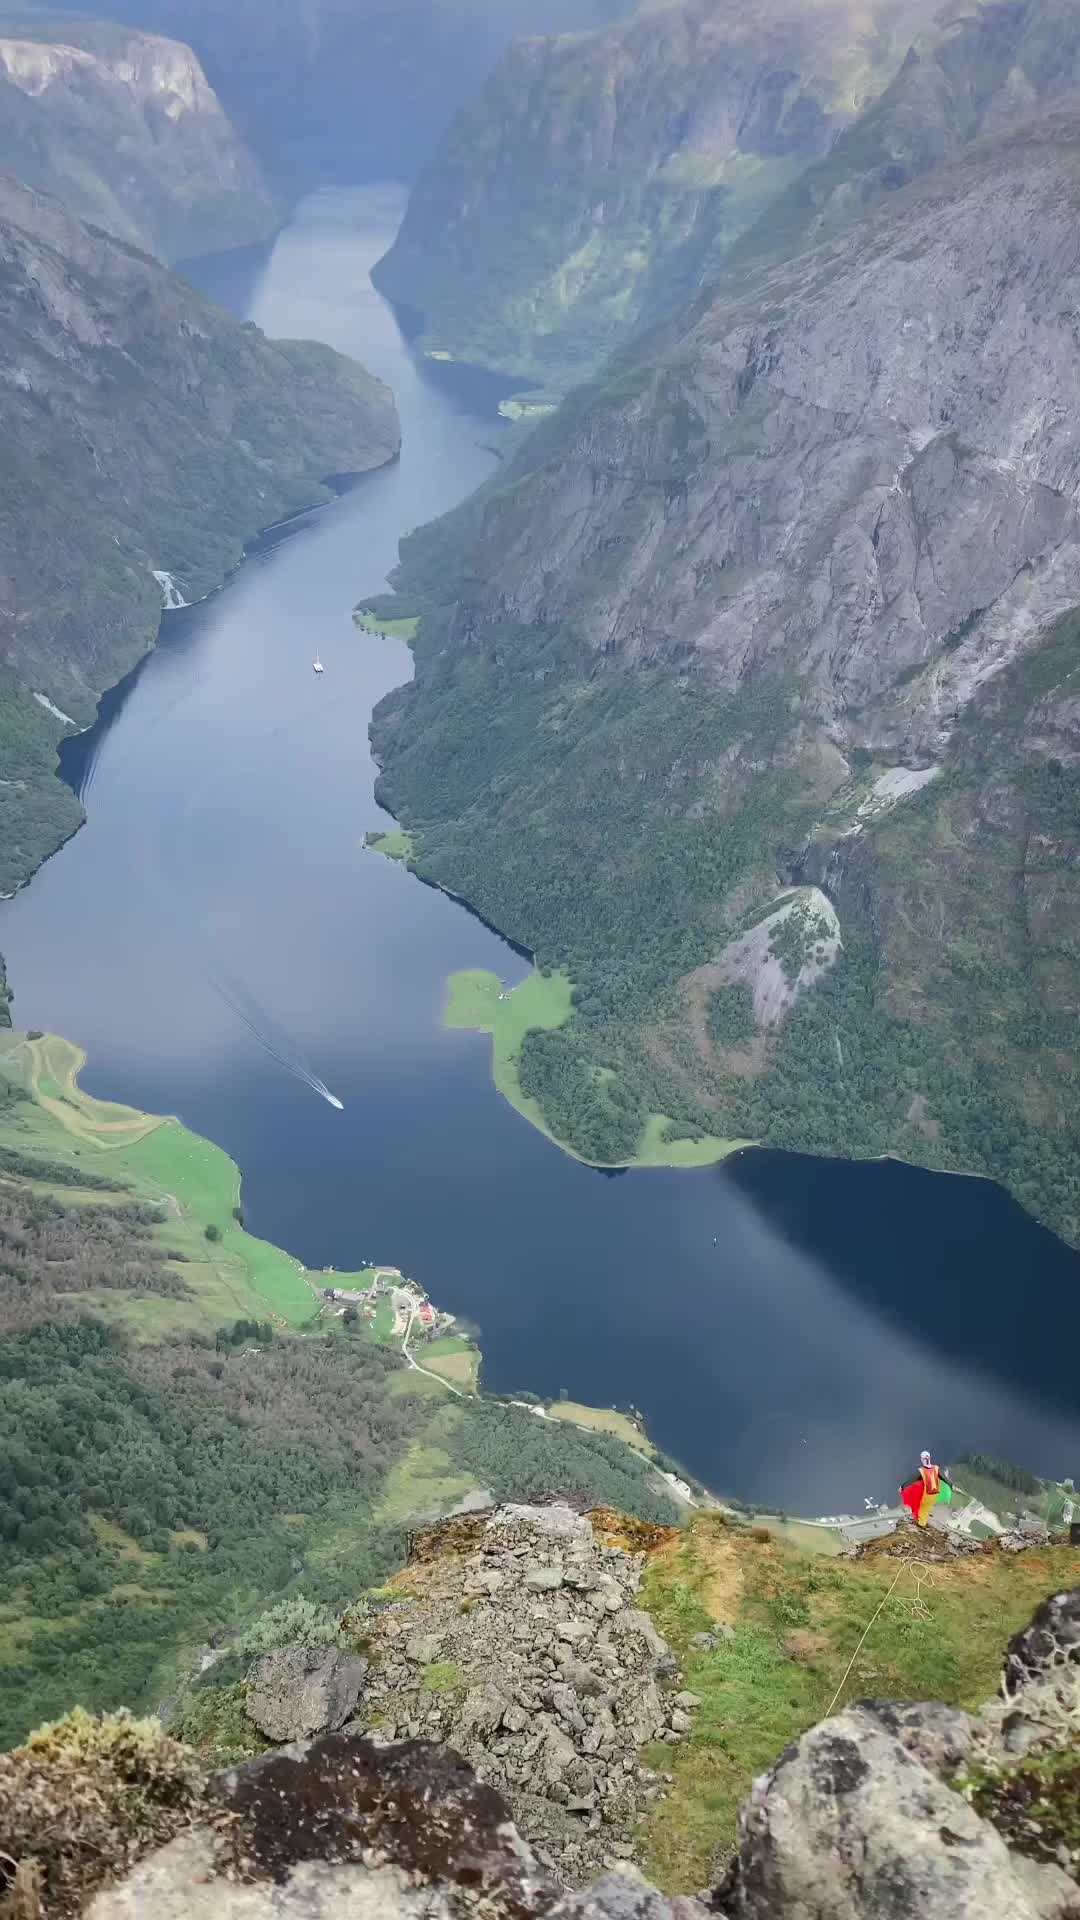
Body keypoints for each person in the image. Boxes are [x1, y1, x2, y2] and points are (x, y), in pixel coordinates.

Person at [899, 1450, 951, 1528]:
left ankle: (921, 1526)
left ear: (922, 1459)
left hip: (927, 1495)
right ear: (929, 1458)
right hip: (935, 1494)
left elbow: (911, 1480)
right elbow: (945, 1480)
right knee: (926, 1508)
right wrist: (951, 1486)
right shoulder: (936, 1468)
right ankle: (923, 1522)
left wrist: (902, 1487)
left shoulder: (921, 1471)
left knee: (922, 1510)